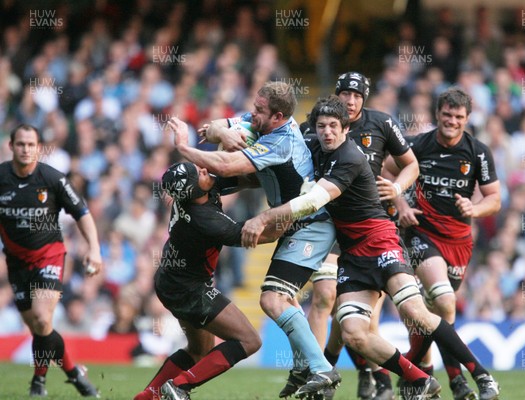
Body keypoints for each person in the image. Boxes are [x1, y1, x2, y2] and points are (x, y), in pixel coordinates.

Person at [241, 95, 501, 400]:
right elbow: (273, 135)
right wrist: (231, 129)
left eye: (333, 126)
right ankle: (418, 379)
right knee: (352, 331)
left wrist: (265, 217)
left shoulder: (350, 157)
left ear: (345, 129)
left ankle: (482, 376)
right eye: (321, 126)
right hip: (352, 254)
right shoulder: (313, 149)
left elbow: (313, 200)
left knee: (416, 311)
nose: (326, 131)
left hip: (380, 241)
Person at [167, 80, 340, 399]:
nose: (252, 114)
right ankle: (307, 368)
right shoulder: (262, 120)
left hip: (310, 227)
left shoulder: (281, 142)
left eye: (259, 110)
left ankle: (321, 369)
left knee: (272, 299)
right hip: (292, 224)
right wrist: (224, 133)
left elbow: (228, 163)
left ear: (277, 116)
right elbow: (214, 126)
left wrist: (184, 148)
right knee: (279, 298)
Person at [301, 71, 419, 400]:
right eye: (345, 94)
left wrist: (396, 190)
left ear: (364, 99)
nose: (350, 100)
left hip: (367, 227)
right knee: (325, 295)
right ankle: (319, 371)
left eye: (356, 95)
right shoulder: (316, 125)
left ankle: (369, 374)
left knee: (356, 317)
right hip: (327, 224)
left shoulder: (381, 123)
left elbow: (409, 165)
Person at [388, 87, 502, 400]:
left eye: (458, 117)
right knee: (444, 299)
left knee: (433, 315)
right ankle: (471, 377)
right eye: (447, 115)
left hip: (459, 241)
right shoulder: (418, 145)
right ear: (438, 114)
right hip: (421, 233)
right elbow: (387, 170)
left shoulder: (478, 152)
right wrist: (401, 205)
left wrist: (475, 209)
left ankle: (418, 373)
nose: (452, 121)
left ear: (467, 119)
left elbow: (495, 199)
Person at [134, 162, 278, 400]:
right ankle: (179, 386)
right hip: (188, 289)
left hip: (171, 280)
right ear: (194, 190)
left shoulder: (199, 189)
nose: (203, 169)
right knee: (249, 340)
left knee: (199, 350)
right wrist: (297, 210)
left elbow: (246, 178)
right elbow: (265, 236)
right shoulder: (207, 220)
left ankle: (148, 396)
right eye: (197, 172)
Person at [0, 124, 102, 397]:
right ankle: (73, 372)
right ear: (11, 146)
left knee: (43, 320)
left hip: (50, 256)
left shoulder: (52, 178)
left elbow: (82, 212)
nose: (25, 149)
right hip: (17, 263)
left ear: (38, 148)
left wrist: (94, 248)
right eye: (20, 144)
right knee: (39, 329)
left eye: (31, 145)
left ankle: (38, 383)